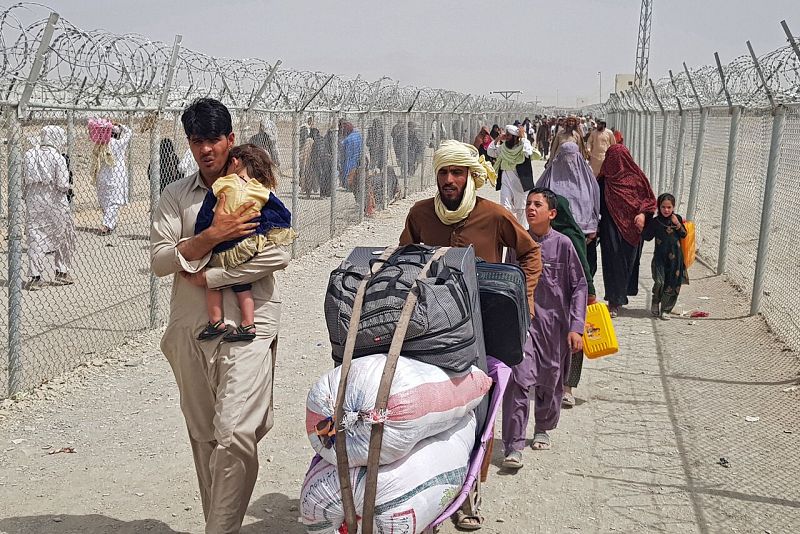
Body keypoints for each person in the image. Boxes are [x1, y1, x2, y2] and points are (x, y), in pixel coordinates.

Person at [150, 98, 291, 533]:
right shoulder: (176, 196)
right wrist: (212, 235)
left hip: (250, 327)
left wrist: (212, 275)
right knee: (205, 436)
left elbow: (279, 252)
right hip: (193, 329)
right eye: (197, 141)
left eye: (213, 139)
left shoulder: (254, 186)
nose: (205, 149)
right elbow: (160, 260)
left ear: (230, 139)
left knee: (234, 432)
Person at [400, 139, 541, 530]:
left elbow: (530, 253)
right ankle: (428, 499)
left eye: (457, 173)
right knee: (429, 413)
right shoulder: (420, 214)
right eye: (444, 172)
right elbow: (403, 260)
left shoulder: (493, 215)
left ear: (470, 176)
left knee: (477, 415)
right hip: (427, 331)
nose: (449, 180)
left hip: (479, 331)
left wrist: (524, 300)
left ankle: (467, 498)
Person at [502, 187, 587, 468]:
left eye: (537, 204)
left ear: (551, 213)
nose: (530, 208)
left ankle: (543, 426)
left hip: (555, 327)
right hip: (524, 325)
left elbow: (579, 286)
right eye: (528, 203)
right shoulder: (518, 244)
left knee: (551, 379)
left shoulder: (563, 245)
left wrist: (576, 326)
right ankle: (513, 445)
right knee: (518, 380)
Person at [194, 144, 296, 343]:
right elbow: (281, 213)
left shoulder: (223, 183)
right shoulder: (260, 189)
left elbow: (205, 214)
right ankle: (248, 323)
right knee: (242, 284)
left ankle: (216, 321)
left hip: (224, 247)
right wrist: (264, 230)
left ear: (234, 162)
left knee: (212, 283)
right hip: (249, 246)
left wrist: (202, 234)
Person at [598, 144, 657, 317]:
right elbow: (595, 203)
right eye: (612, 159)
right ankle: (614, 300)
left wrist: (643, 214)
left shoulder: (637, 178)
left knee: (628, 262)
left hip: (632, 230)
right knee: (613, 262)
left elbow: (649, 200)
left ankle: (621, 294)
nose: (616, 163)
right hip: (610, 228)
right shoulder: (603, 181)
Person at [550, 194, 597, 407]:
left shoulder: (570, 236)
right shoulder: (541, 235)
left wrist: (590, 293)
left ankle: (567, 388)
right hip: (552, 299)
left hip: (573, 298)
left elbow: (583, 268)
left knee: (574, 342)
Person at [536, 140, 601, 286]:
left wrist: (594, 227)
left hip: (584, 236)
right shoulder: (550, 176)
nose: (569, 161)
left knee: (582, 272)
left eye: (572, 156)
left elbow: (595, 202)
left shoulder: (588, 178)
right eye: (565, 156)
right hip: (555, 235)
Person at [22, 125, 76, 291]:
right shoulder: (58, 157)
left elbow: (22, 179)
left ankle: (35, 277)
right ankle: (62, 271)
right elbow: (62, 184)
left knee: (35, 235)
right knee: (63, 233)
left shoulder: (29, 154)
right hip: (55, 200)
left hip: (33, 199)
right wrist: (69, 188)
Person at [642, 193, 689, 320]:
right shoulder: (656, 222)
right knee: (659, 282)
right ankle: (655, 301)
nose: (666, 210)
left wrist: (677, 224)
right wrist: (643, 224)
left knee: (672, 284)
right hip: (660, 258)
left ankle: (666, 309)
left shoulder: (677, 218)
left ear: (673, 207)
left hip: (676, 259)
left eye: (669, 207)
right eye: (663, 207)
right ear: (659, 207)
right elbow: (647, 237)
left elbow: (684, 234)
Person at [487, 125, 534, 229]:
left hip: (521, 183)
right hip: (506, 181)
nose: (506, 137)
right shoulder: (503, 148)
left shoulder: (523, 147)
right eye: (506, 135)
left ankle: (523, 232)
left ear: (515, 137)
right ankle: (508, 231)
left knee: (522, 209)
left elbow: (528, 152)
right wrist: (498, 139)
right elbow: (490, 152)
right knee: (505, 207)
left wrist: (523, 137)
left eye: (509, 135)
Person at [93, 120, 132, 235]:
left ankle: (110, 223)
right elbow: (129, 132)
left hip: (102, 175)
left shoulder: (100, 144)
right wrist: (120, 125)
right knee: (114, 202)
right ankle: (107, 225)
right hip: (116, 176)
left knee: (105, 200)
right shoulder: (119, 144)